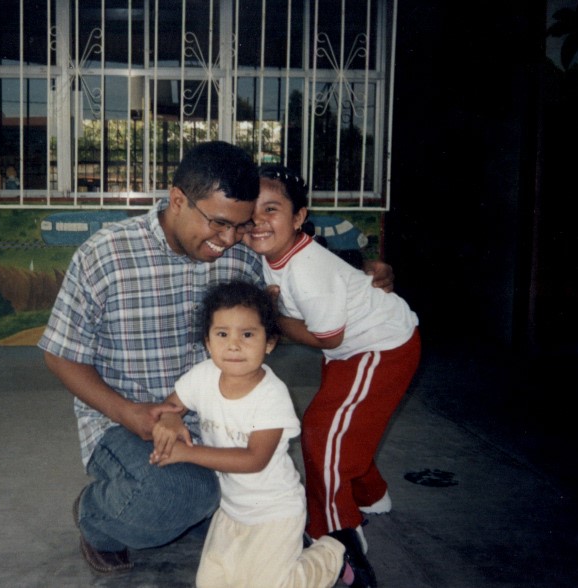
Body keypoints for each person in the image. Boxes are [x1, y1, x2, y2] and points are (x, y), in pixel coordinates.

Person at [38, 141, 394, 575]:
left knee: (275, 511)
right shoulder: (105, 255)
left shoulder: (243, 253)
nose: (228, 240)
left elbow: (307, 273)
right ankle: (97, 519)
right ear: (177, 200)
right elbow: (60, 355)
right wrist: (128, 413)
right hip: (127, 422)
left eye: (240, 226)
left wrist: (364, 279)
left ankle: (196, 502)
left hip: (224, 422)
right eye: (219, 223)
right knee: (182, 493)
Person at [244, 164, 421, 587]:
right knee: (344, 425)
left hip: (379, 347)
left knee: (323, 432)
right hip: (353, 349)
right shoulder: (274, 252)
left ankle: (336, 532)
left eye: (271, 209)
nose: (258, 221)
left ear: (299, 217)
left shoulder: (307, 271)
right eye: (250, 212)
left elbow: (327, 337)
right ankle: (370, 495)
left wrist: (274, 317)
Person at [149, 280, 368, 588]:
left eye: (248, 334)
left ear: (270, 343)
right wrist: (171, 418)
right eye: (222, 334)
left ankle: (336, 550)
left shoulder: (271, 395)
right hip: (231, 510)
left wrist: (186, 453)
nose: (234, 345)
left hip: (275, 512)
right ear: (208, 342)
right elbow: (171, 405)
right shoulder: (203, 376)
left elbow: (254, 459)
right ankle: (288, 555)